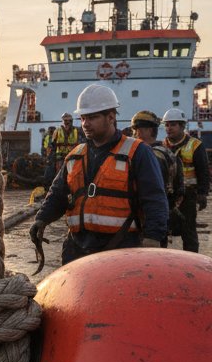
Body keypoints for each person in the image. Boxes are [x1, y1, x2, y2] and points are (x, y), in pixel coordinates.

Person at [29, 84, 168, 264]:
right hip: (77, 248)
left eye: (92, 117)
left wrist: (153, 238)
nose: (85, 124)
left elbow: (155, 198)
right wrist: (41, 219)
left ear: (111, 117)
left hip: (122, 247)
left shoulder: (138, 152)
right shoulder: (75, 155)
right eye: (83, 118)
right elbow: (58, 193)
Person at [129, 110, 183, 247]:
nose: (134, 134)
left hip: (147, 220)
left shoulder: (150, 157)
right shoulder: (168, 153)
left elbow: (150, 192)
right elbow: (179, 186)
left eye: (137, 129)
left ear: (148, 130)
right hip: (163, 216)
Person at [162, 108, 210, 253]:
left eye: (173, 125)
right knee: (162, 229)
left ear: (182, 126)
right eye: (167, 125)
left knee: (188, 231)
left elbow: (203, 172)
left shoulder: (195, 145)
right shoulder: (163, 146)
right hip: (167, 195)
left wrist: (202, 194)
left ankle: (192, 262)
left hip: (189, 196)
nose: (169, 128)